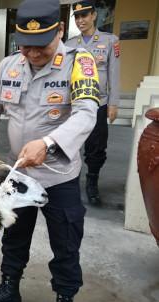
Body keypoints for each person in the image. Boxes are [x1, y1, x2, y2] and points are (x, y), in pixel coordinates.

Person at [0, 0, 100, 302]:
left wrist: (48, 142)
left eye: (40, 45)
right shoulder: (9, 65)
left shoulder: (79, 62)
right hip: (17, 174)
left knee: (65, 243)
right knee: (14, 236)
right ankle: (10, 287)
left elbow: (87, 114)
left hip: (59, 175)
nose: (31, 53)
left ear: (58, 31)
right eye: (25, 45)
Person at [66, 0, 121, 206]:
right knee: (70, 143)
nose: (81, 20)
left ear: (94, 15)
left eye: (84, 15)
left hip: (99, 103)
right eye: (77, 17)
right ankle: (69, 181)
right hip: (74, 104)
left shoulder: (110, 41)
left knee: (96, 146)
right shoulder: (70, 45)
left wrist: (114, 103)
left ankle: (92, 182)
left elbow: (114, 74)